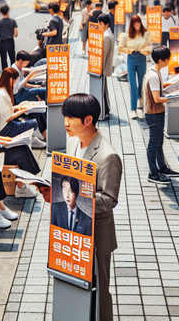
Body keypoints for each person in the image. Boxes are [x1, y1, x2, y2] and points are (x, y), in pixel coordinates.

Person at [59, 94, 122, 321]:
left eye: (70, 117)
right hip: (72, 229)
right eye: (64, 116)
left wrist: (77, 199)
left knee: (100, 288)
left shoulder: (108, 155)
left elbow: (109, 199)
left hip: (98, 233)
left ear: (88, 120)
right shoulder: (72, 141)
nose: (65, 122)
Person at [142, 45, 179, 184]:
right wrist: (176, 98)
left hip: (156, 112)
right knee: (154, 143)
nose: (169, 60)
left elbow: (157, 91)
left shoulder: (154, 71)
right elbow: (157, 98)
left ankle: (162, 167)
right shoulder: (153, 76)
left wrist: (170, 85)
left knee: (159, 142)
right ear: (161, 60)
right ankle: (154, 172)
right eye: (168, 58)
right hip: (154, 113)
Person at [0, 67, 46, 148]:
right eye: (15, 80)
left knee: (37, 112)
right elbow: (7, 118)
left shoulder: (4, 91)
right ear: (10, 79)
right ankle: (36, 138)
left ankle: (41, 136)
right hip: (7, 128)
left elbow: (7, 111)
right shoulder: (3, 95)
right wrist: (22, 111)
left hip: (7, 124)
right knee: (33, 122)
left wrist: (17, 108)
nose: (15, 83)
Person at [118, 15, 152, 119]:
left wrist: (144, 50)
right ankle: (133, 109)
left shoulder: (146, 33)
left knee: (142, 82)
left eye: (138, 23)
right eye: (135, 24)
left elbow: (150, 46)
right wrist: (129, 50)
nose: (137, 26)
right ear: (132, 25)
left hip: (142, 58)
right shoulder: (127, 34)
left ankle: (141, 99)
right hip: (131, 58)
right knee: (132, 84)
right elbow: (120, 47)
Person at [98, 13, 115, 121]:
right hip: (104, 68)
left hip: (103, 68)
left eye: (99, 24)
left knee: (102, 90)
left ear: (103, 24)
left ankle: (104, 112)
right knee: (104, 90)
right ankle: (106, 110)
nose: (98, 26)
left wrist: (99, 69)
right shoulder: (109, 34)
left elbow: (103, 55)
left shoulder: (106, 36)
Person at [0, 4, 18, 70]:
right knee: (12, 59)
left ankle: (5, 73)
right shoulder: (13, 21)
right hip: (10, 42)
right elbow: (16, 34)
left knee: (3, 60)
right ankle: (13, 72)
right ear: (8, 11)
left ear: (1, 12)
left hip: (2, 43)